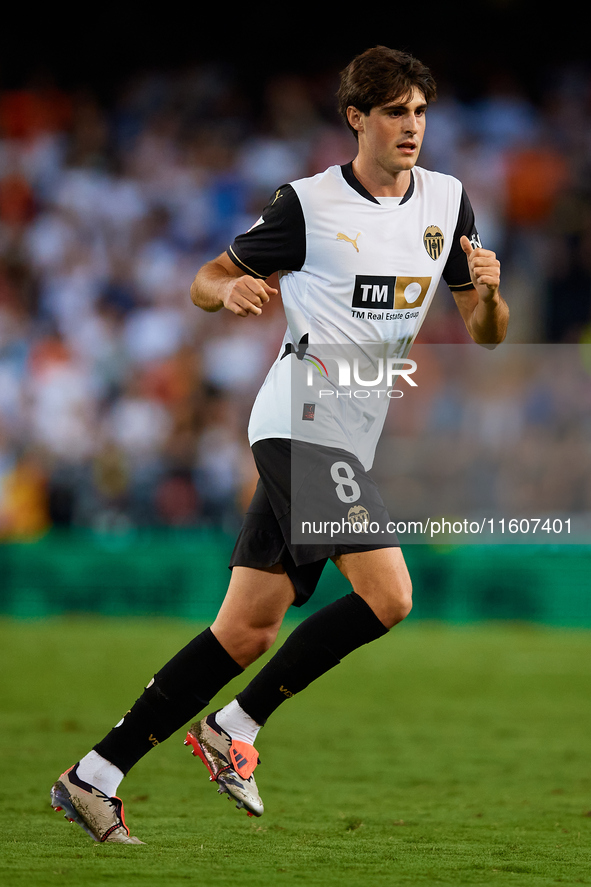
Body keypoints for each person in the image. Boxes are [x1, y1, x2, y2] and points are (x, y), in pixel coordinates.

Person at [51, 46, 509, 844]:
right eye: (394, 111)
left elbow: (485, 334)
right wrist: (227, 288)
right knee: (390, 594)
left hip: (348, 434)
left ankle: (94, 774)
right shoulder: (306, 205)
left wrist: (492, 294)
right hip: (298, 419)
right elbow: (204, 276)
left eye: (420, 111)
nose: (411, 126)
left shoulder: (448, 201)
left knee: (247, 630)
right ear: (355, 119)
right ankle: (236, 723)